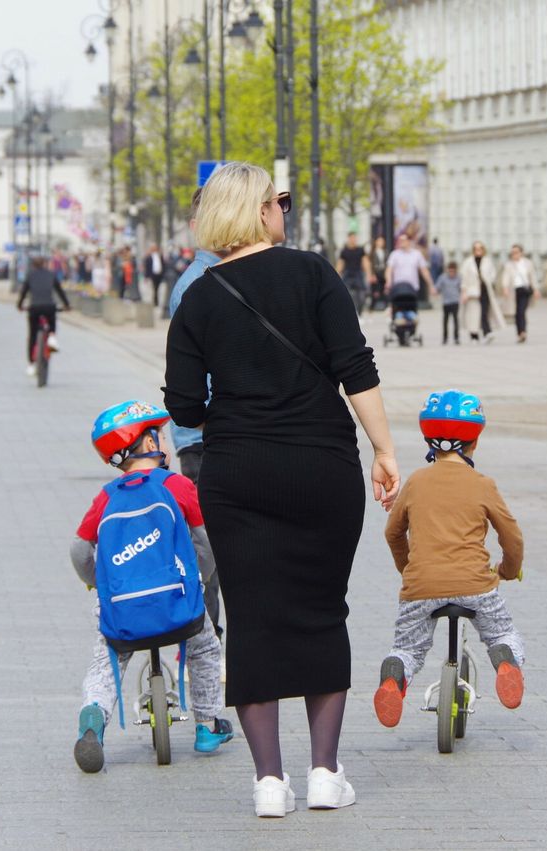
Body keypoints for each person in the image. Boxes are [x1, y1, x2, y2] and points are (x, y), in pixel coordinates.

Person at [164, 162, 401, 818]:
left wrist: (240, 418)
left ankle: (270, 782)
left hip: (236, 472)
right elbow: (356, 366)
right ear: (261, 210)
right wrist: (383, 449)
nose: (284, 211)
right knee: (323, 609)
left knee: (253, 617)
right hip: (322, 464)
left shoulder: (198, 299)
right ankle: (325, 771)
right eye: (279, 202)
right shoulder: (313, 273)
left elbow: (183, 402)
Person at [69, 401, 234, 773]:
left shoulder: (107, 497)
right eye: (157, 435)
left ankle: (93, 719)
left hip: (123, 610)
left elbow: (79, 550)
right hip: (179, 606)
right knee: (205, 648)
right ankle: (208, 726)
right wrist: (200, 577)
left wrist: (100, 582)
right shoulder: (177, 485)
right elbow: (206, 542)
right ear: (146, 444)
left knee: (107, 661)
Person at [374, 390, 526, 727]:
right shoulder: (483, 484)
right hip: (475, 585)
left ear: (428, 439)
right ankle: (505, 661)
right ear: (475, 441)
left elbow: (392, 533)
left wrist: (409, 569)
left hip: (421, 587)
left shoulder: (414, 483)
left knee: (408, 649)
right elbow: (511, 537)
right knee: (503, 634)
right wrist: (508, 570)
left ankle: (394, 677)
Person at [168, 188, 223, 640]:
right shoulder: (202, 283)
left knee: (213, 547)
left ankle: (211, 642)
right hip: (207, 438)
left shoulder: (207, 277)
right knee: (211, 549)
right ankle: (208, 643)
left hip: (202, 437)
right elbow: (193, 379)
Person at [16, 255, 71, 377]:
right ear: (45, 264)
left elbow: (23, 292)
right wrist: (67, 305)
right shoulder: (51, 274)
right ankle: (52, 336)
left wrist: (19, 305)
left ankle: (31, 364)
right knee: (52, 319)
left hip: (34, 307)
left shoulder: (30, 275)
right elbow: (60, 291)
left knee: (32, 335)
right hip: (49, 306)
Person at [461, 241, 502, 343]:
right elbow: (464, 278)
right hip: (472, 292)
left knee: (484, 312)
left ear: (483, 250)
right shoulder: (468, 262)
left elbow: (493, 274)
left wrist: (488, 280)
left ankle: (487, 332)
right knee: (473, 314)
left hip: (485, 290)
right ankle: (474, 335)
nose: (478, 251)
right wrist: (464, 292)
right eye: (476, 249)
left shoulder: (487, 261)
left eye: (480, 249)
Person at [385, 232, 433, 310]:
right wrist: (388, 282)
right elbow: (389, 270)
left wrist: (431, 285)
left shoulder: (417, 254)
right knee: (397, 310)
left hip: (413, 288)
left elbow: (424, 271)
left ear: (409, 241)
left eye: (403, 240)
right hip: (398, 288)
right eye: (399, 240)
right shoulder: (394, 254)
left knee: (411, 310)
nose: (401, 242)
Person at [502, 244, 538, 343]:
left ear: (521, 253)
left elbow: (532, 276)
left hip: (525, 290)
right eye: (513, 252)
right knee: (517, 313)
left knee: (521, 311)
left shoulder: (527, 263)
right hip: (514, 291)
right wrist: (505, 288)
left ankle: (523, 332)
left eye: (516, 252)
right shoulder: (509, 265)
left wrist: (536, 289)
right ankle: (519, 333)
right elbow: (506, 277)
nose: (514, 254)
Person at [335, 231, 372, 317]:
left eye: (354, 238)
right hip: (348, 273)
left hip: (358, 273)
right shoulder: (344, 251)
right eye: (351, 238)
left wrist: (369, 274)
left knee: (362, 294)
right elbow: (340, 264)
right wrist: (336, 276)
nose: (353, 240)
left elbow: (366, 262)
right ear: (348, 239)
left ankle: (360, 312)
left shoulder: (360, 250)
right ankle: (350, 312)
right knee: (345, 293)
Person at [434, 260, 462, 345]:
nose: (451, 273)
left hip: (455, 302)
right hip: (446, 302)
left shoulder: (459, 278)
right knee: (445, 321)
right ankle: (445, 338)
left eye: (453, 271)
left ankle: (456, 338)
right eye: (450, 271)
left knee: (455, 320)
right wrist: (435, 292)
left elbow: (462, 288)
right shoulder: (442, 277)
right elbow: (437, 288)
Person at [143, 243, 166, 309]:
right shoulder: (149, 257)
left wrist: (163, 273)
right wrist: (146, 276)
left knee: (158, 288)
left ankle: (156, 301)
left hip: (159, 275)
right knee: (153, 289)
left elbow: (163, 265)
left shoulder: (160, 256)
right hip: (152, 275)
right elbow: (147, 267)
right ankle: (154, 301)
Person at [368, 236, 388, 311]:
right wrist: (372, 274)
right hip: (376, 273)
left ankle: (386, 307)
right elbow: (371, 264)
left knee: (384, 291)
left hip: (383, 273)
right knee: (375, 292)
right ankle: (371, 308)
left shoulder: (385, 252)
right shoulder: (372, 252)